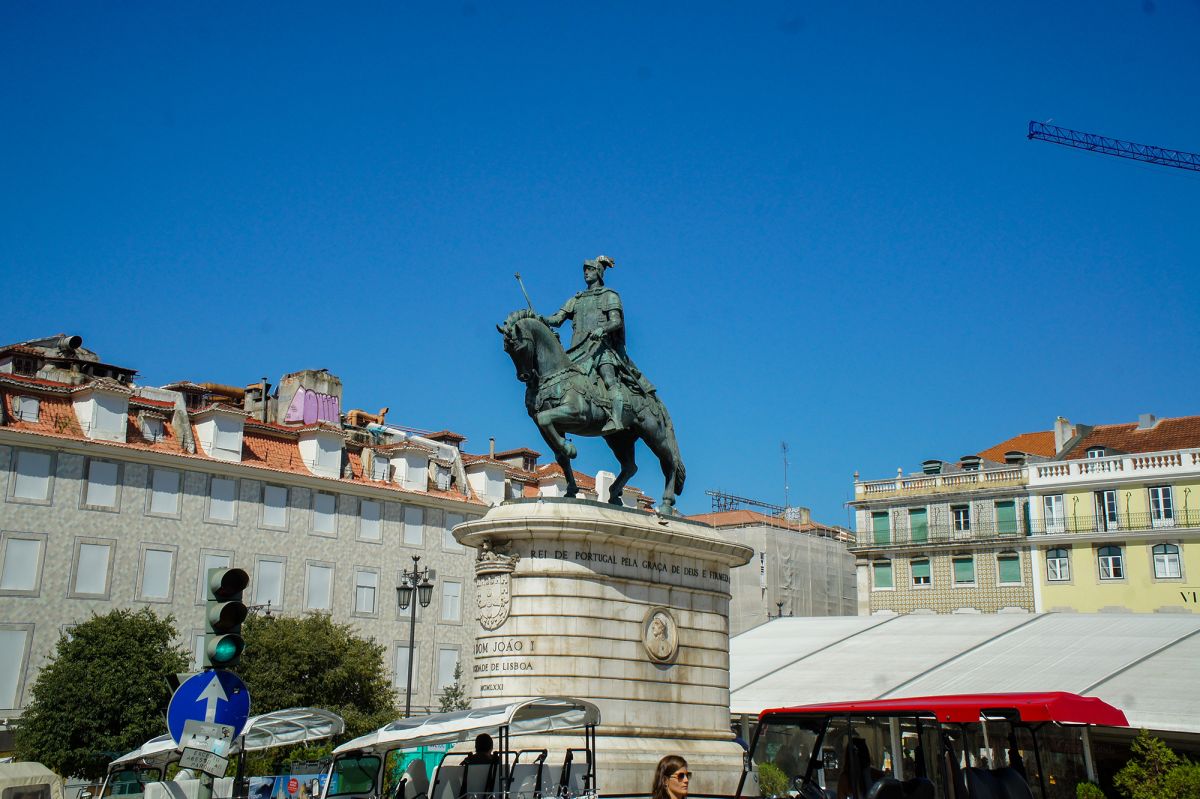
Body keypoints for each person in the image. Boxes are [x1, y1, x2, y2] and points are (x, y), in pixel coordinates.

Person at [542, 255, 655, 433]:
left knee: (609, 380)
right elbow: (557, 319)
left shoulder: (609, 295)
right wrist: (541, 319)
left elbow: (616, 321)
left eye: (590, 269)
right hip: (577, 351)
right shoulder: (576, 299)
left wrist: (603, 329)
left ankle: (616, 418)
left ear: (599, 273)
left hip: (601, 349)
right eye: (585, 270)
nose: (586, 273)